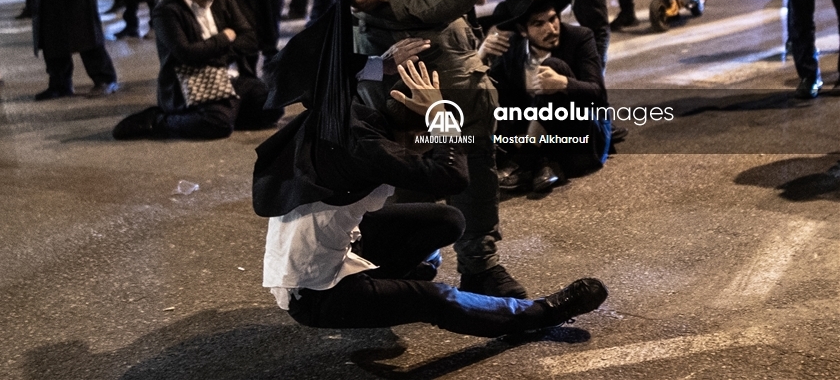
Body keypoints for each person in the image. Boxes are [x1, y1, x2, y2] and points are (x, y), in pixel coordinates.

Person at [322, 0, 526, 300]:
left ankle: (479, 261)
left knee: (464, 134)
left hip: (436, 35)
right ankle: (403, 255)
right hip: (369, 35)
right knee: (385, 144)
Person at [261, 60, 609, 337]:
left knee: (447, 221)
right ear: (419, 134)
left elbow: (315, 73)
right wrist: (441, 115)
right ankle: (540, 314)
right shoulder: (375, 152)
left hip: (340, 247)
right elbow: (452, 176)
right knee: (433, 299)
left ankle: (393, 281)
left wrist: (378, 65)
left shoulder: (358, 118)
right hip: (316, 292)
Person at [112, 0, 283, 140]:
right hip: (192, 83)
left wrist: (214, 54)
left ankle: (224, 112)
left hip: (231, 78)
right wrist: (224, 37)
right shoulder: (167, 12)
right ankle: (159, 120)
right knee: (218, 125)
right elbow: (186, 53)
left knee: (273, 105)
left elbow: (250, 39)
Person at [479, 0, 610, 193]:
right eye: (538, 24)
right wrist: (481, 55)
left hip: (580, 141)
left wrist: (564, 83)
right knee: (497, 88)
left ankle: (526, 162)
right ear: (523, 30)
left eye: (552, 19)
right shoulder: (513, 47)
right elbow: (492, 96)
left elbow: (598, 95)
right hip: (540, 140)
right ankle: (542, 163)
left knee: (553, 67)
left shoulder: (580, 37)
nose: (551, 28)